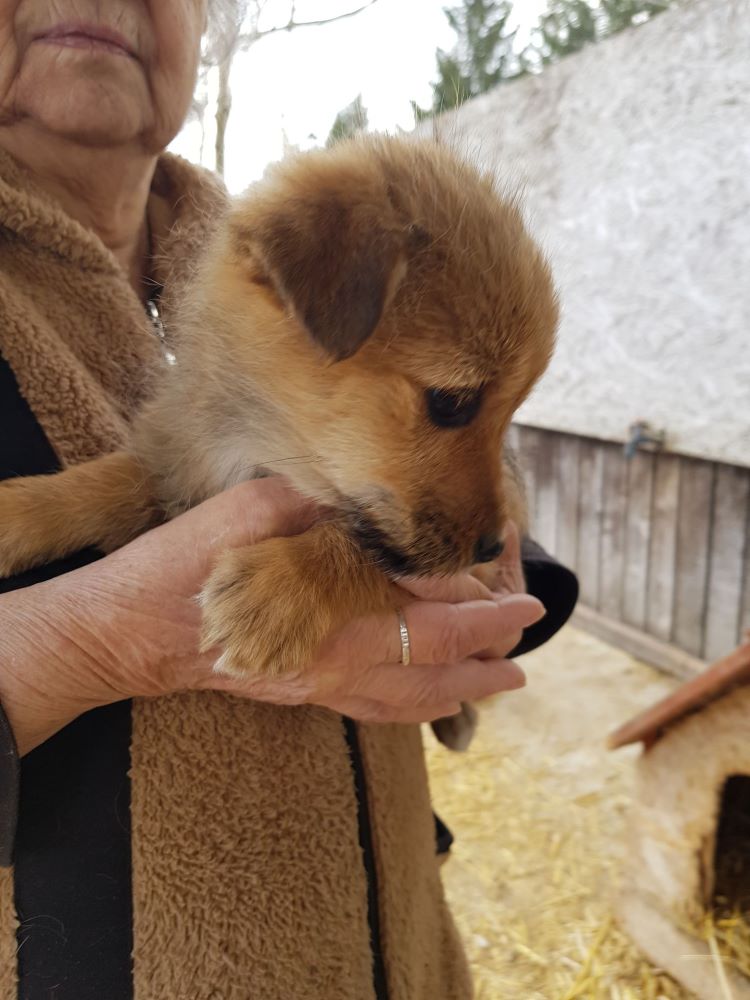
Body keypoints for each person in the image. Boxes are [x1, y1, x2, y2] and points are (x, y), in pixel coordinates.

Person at [0, 2, 578, 998]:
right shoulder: (311, 252)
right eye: (453, 401)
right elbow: (167, 482)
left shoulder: (224, 246)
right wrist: (84, 639)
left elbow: (475, 528)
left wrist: (495, 580)